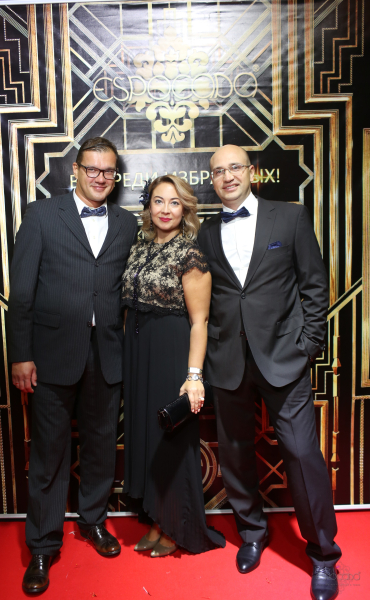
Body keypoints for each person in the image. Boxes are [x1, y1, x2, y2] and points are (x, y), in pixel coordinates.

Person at [197, 145, 341, 600]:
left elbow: (314, 284)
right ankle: (252, 533)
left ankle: (323, 553)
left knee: (301, 454)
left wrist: (309, 344)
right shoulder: (205, 232)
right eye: (218, 171)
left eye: (235, 167)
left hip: (285, 357)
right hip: (228, 361)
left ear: (251, 172)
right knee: (236, 453)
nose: (227, 176)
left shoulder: (290, 217)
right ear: (212, 179)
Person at [7, 137, 137, 593]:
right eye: (92, 169)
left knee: (101, 445)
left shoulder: (126, 223)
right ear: (75, 171)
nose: (100, 177)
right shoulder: (42, 215)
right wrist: (21, 354)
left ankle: (93, 521)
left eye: (108, 171)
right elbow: (22, 291)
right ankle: (43, 545)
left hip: (108, 353)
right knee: (49, 453)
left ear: (115, 176)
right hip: (51, 354)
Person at [121, 175, 225, 557]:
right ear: (148, 206)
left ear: (186, 209)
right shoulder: (140, 246)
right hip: (138, 351)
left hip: (171, 349)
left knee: (171, 438)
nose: (165, 210)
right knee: (147, 435)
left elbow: (200, 321)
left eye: (174, 203)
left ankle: (175, 526)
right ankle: (154, 516)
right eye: (158, 201)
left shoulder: (190, 254)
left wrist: (193, 376)